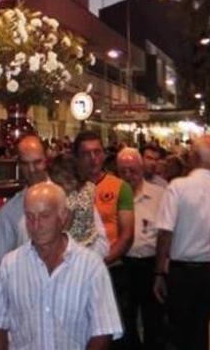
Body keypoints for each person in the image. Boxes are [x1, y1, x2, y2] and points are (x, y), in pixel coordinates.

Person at [0, 182, 122, 349]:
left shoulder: (91, 267)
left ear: (63, 216)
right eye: (30, 217)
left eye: (44, 216)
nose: (36, 226)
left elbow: (103, 331)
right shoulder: (11, 265)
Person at [0, 136, 108, 300]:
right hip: (29, 302)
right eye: (25, 164)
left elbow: (101, 243)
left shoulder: (73, 194)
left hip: (75, 297)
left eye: (37, 162)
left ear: (46, 160)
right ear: (18, 165)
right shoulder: (9, 213)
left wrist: (74, 266)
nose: (31, 170)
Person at [153, 135, 210, 350]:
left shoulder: (178, 187)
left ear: (193, 157)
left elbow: (165, 232)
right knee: (207, 332)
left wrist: (158, 272)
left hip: (182, 273)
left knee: (181, 334)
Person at [74, 131, 134, 349]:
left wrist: (98, 263)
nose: (93, 158)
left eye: (97, 152)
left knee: (110, 334)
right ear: (77, 158)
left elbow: (127, 236)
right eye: (86, 153)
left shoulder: (120, 187)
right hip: (74, 274)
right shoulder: (69, 189)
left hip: (110, 269)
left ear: (104, 155)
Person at [116, 148, 165, 349]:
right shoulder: (114, 194)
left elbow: (166, 234)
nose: (128, 176)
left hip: (149, 265)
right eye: (123, 171)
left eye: (133, 171)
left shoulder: (159, 195)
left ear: (141, 168)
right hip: (123, 264)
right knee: (125, 321)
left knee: (153, 320)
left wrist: (160, 271)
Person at [48, 153, 110, 254]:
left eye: (60, 183)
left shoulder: (71, 198)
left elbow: (66, 227)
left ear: (71, 180)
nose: (59, 187)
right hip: (91, 238)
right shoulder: (89, 187)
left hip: (77, 243)